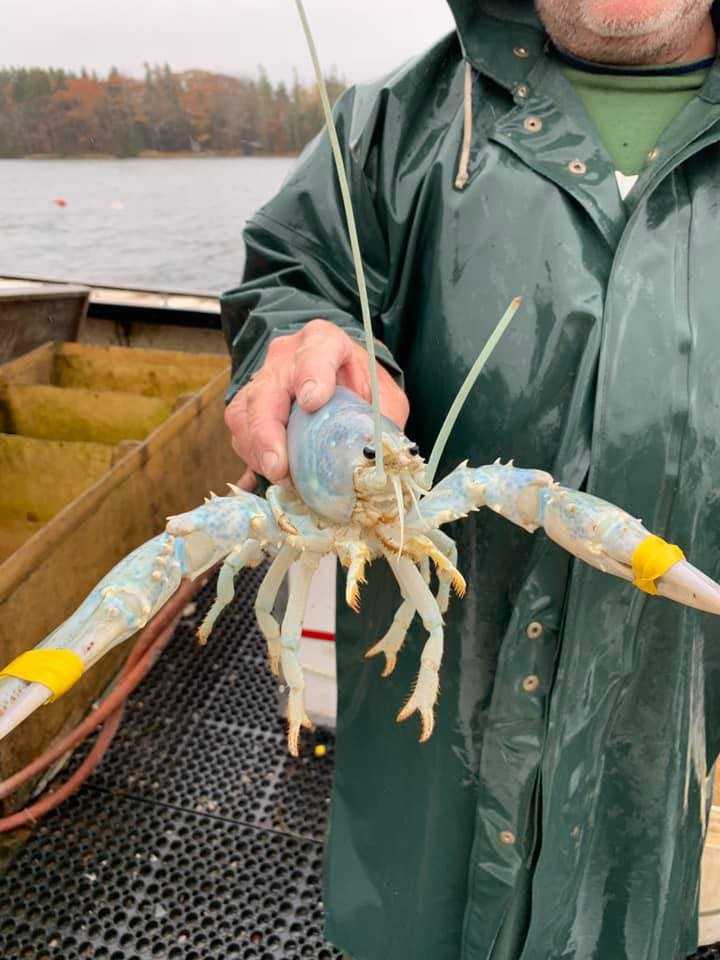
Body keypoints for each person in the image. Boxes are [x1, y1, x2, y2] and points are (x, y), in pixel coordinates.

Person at [222, 2, 720, 958]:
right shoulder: (386, 130)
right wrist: (296, 347)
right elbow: (288, 276)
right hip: (423, 822)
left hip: (682, 802)